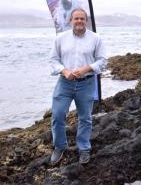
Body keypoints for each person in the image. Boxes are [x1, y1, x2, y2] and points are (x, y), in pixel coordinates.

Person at [49, 8, 107, 165]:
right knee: (57, 114)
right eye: (76, 19)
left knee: (85, 118)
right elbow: (53, 60)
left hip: (86, 83)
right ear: (70, 21)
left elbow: (102, 60)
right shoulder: (60, 39)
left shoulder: (96, 39)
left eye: (82, 19)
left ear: (86, 21)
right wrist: (64, 70)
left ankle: (84, 148)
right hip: (64, 83)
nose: (79, 21)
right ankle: (60, 147)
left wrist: (86, 68)